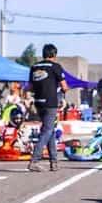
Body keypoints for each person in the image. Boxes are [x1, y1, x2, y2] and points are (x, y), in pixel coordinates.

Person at [28, 43, 68, 172]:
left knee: (50, 130)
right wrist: (62, 94)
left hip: (38, 102)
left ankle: (53, 162)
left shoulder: (34, 67)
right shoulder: (55, 67)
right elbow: (64, 86)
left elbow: (30, 87)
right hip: (50, 103)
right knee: (47, 131)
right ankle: (34, 160)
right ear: (54, 54)